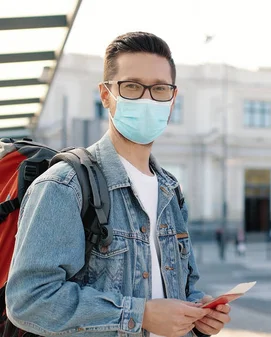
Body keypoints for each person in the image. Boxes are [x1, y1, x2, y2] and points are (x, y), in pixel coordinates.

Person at [6, 32, 230, 337]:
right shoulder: (64, 186)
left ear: (172, 99)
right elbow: (29, 301)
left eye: (160, 89)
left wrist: (197, 312)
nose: (147, 99)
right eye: (132, 87)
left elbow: (178, 287)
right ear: (106, 95)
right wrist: (141, 315)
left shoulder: (170, 190)